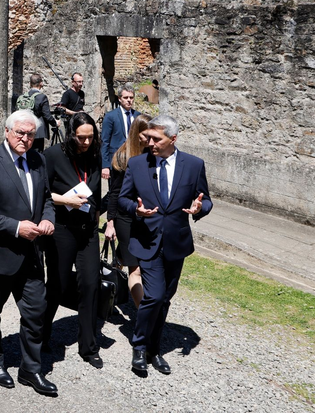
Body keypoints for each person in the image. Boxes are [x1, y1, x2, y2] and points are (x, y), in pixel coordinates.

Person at [0, 109, 57, 397]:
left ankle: (31, 369)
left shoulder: (39, 161)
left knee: (35, 313)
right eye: (20, 133)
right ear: (7, 131)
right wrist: (17, 228)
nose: (25, 139)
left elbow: (46, 200)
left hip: (30, 256)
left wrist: (47, 219)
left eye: (31, 134)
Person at [118, 114, 212, 375]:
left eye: (156, 139)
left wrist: (199, 208)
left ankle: (153, 349)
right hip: (146, 240)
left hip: (176, 243)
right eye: (148, 138)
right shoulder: (137, 165)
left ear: (173, 139)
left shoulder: (193, 165)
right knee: (155, 295)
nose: (150, 143)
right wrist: (137, 211)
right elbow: (122, 200)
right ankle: (139, 346)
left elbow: (206, 200)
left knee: (165, 300)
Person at [42, 112, 104, 368]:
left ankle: (88, 347)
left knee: (91, 284)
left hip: (87, 229)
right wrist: (65, 200)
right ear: (71, 134)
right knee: (57, 284)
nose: (86, 142)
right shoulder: (53, 155)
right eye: (81, 138)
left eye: (90, 137)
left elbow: (97, 190)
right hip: (62, 228)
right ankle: (40, 335)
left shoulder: (95, 153)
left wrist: (101, 218)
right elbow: (41, 192)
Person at [105, 113, 152, 308]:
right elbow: (113, 194)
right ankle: (143, 316)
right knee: (136, 269)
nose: (150, 140)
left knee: (122, 258)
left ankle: (109, 288)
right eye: (146, 135)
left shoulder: (152, 155)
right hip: (125, 218)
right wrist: (110, 223)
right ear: (137, 133)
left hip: (144, 218)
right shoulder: (123, 157)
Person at [101, 84, 138, 181]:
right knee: (115, 192)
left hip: (133, 159)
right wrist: (105, 165)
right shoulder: (111, 116)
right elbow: (105, 141)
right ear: (119, 99)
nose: (129, 100)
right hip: (116, 161)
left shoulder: (138, 116)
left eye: (131, 97)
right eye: (125, 97)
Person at [24, 73, 57, 153]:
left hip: (26, 128)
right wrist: (55, 123)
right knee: (37, 153)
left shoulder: (25, 96)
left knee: (27, 152)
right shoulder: (42, 97)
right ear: (41, 83)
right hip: (38, 131)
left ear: (30, 84)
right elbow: (47, 115)